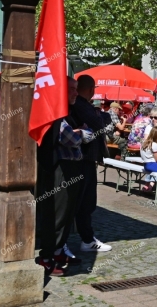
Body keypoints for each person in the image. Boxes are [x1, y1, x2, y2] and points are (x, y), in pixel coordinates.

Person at [35, 77, 86, 276]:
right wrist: (81, 133)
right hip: (59, 170)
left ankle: (57, 253)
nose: (76, 93)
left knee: (66, 215)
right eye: (71, 89)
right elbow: (70, 137)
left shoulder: (68, 112)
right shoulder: (55, 113)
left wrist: (80, 132)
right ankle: (47, 258)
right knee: (56, 215)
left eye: (76, 89)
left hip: (70, 169)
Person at [69, 75, 113, 253]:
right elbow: (99, 123)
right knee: (84, 202)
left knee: (85, 202)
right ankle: (85, 239)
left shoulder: (82, 104)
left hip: (86, 159)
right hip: (83, 159)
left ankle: (86, 238)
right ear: (91, 90)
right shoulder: (79, 104)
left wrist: (98, 115)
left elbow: (104, 118)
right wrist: (97, 116)